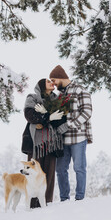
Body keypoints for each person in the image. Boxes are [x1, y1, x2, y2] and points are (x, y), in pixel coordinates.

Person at [49, 65, 93, 201]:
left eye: (54, 80)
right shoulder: (60, 95)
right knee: (60, 169)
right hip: (62, 140)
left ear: (60, 77)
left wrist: (69, 125)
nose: (53, 84)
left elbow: (87, 112)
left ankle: (80, 198)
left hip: (78, 137)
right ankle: (64, 199)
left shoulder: (80, 90)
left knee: (79, 168)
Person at [21, 78, 66, 208]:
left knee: (49, 174)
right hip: (36, 144)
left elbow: (61, 120)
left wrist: (45, 116)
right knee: (33, 173)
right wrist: (49, 118)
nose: (52, 83)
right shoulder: (32, 97)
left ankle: (46, 203)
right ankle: (32, 204)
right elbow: (30, 115)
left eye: (52, 82)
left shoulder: (57, 101)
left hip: (52, 143)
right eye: (48, 82)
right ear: (41, 85)